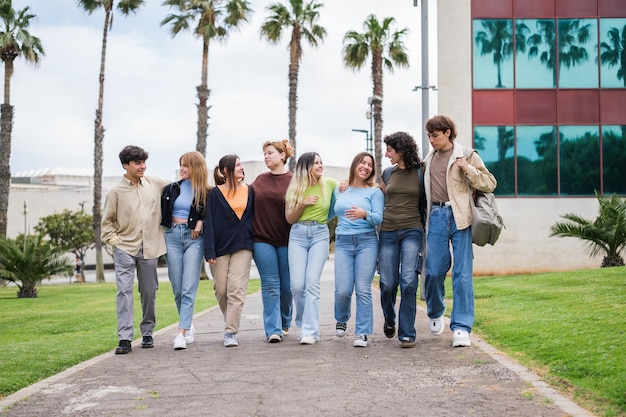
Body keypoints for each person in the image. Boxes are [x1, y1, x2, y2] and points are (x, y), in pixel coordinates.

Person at [423, 115, 496, 347]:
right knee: (434, 271)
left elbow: (490, 183)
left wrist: (468, 170)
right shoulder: (428, 160)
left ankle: (462, 327)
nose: (431, 140)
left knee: (462, 273)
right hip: (435, 216)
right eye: (429, 136)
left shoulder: (466, 155)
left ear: (447, 132)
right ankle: (435, 310)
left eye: (434, 135)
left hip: (460, 216)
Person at [102, 145, 169, 355]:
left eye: (143, 162)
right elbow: (107, 223)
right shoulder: (115, 192)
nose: (142, 166)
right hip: (125, 249)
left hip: (150, 248)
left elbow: (180, 188)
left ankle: (147, 332)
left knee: (149, 292)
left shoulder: (155, 184)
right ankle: (125, 338)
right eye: (137, 163)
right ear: (126, 165)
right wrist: (116, 242)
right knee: (124, 292)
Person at [378, 132, 426, 348]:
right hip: (387, 232)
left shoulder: (420, 173)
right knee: (388, 283)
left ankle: (407, 333)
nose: (386, 154)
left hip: (412, 231)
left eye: (389, 150)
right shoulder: (387, 174)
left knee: (408, 280)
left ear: (400, 149)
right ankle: (389, 318)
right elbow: (372, 196)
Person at [285, 152, 337, 345]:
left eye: (321, 162)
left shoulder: (329, 184)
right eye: (316, 163)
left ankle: (310, 331)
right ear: (305, 167)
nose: (320, 165)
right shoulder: (295, 188)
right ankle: (301, 324)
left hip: (320, 234)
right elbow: (289, 218)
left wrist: (345, 185)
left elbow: (334, 208)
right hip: (298, 234)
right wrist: (302, 204)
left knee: (312, 283)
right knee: (298, 286)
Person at [332, 152, 384, 347]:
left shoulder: (375, 192)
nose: (365, 167)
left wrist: (365, 214)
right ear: (355, 165)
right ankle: (342, 318)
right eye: (362, 162)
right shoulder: (340, 190)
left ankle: (362, 332)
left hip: (367, 242)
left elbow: (378, 218)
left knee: (363, 289)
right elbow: (329, 212)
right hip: (343, 242)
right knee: (343, 290)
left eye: (369, 165)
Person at [160, 151, 209, 350]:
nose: (181, 168)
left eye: (186, 165)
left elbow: (212, 215)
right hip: (172, 237)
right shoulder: (170, 189)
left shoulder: (207, 192)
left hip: (193, 239)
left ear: (196, 168)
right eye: (181, 165)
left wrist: (201, 222)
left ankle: (181, 333)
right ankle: (188, 325)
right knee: (178, 287)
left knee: (189, 287)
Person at [204, 155, 254, 347]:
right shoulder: (215, 194)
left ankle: (230, 332)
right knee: (221, 289)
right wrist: (209, 251)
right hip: (220, 248)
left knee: (236, 289)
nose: (242, 168)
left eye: (242, 164)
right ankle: (230, 320)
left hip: (243, 246)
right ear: (225, 170)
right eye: (238, 165)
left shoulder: (250, 190)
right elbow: (209, 222)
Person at [251, 140, 294, 343]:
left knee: (286, 287)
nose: (266, 157)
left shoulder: (294, 181)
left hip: (288, 241)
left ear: (283, 155)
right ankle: (273, 329)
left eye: (270, 153)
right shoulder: (259, 180)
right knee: (270, 285)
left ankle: (285, 322)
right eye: (265, 154)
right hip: (262, 240)